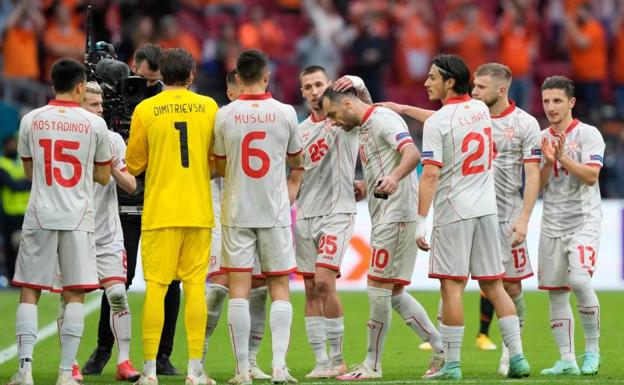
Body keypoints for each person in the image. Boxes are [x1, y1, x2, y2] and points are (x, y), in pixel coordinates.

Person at [415, 54, 529, 380]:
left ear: (450, 82)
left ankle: (451, 365)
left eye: (432, 77)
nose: (426, 82)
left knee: (451, 288)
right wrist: (405, 109)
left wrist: (421, 219)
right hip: (487, 211)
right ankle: (518, 358)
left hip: (453, 212)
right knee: (495, 286)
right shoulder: (480, 110)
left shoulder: (437, 123)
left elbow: (430, 175)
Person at [319, 87, 444, 381]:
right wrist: (367, 183)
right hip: (386, 214)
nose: (334, 121)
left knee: (377, 289)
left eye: (334, 114)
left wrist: (394, 177)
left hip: (397, 215)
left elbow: (412, 153)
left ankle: (372, 365)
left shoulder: (383, 118)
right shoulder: (366, 125)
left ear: (348, 103)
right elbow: (386, 162)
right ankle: (442, 347)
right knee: (394, 292)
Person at [8, 58, 112, 385]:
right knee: (75, 293)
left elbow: (28, 172)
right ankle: (66, 373)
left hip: (40, 212)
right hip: (78, 216)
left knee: (30, 290)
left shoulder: (30, 120)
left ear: (52, 84)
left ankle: (25, 371)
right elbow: (104, 175)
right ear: (81, 87)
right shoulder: (95, 125)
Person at [84, 43, 183, 377]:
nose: (147, 88)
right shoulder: (108, 99)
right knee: (116, 282)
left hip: (158, 201)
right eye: (141, 80)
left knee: (169, 282)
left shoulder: (164, 104)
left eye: (155, 82)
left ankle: (163, 355)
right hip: (121, 204)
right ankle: (103, 350)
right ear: (131, 68)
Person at [126, 48, 219, 385]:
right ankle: (195, 369)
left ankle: (149, 371)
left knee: (156, 288)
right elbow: (217, 160)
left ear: (162, 75)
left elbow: (133, 164)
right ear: (192, 75)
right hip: (198, 210)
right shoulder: (209, 107)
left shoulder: (145, 108)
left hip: (160, 211)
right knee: (195, 288)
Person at [213, 49, 303, 385]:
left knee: (239, 288)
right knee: (279, 285)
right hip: (275, 210)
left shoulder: (224, 115)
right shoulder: (285, 113)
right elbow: (297, 162)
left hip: (237, 210)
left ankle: (242, 372)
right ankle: (279, 367)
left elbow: (220, 166)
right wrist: (291, 188)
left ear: (237, 79)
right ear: (267, 77)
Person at [56, 81, 141, 382]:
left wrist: (112, 165)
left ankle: (125, 362)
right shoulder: (66, 139)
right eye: (94, 105)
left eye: (102, 105)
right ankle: (71, 364)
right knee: (70, 299)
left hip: (107, 232)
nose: (101, 111)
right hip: (74, 229)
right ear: (79, 105)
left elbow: (131, 186)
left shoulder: (114, 140)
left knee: (118, 293)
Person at [295, 66, 370, 378]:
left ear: (329, 86)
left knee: (325, 282)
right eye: (308, 86)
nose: (314, 91)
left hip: (337, 212)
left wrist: (359, 82)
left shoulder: (344, 120)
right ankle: (321, 361)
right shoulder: (297, 132)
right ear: (301, 92)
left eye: (318, 84)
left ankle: (339, 358)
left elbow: (370, 109)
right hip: (305, 214)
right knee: (311, 289)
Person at [202, 69, 272, 380]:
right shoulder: (218, 121)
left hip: (257, 212)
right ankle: (197, 358)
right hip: (220, 212)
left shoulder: (268, 118)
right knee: (218, 287)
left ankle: (250, 361)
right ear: (231, 92)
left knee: (259, 288)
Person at [538, 76, 604, 376]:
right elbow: (538, 186)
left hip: (583, 221)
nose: (551, 107)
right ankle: (566, 358)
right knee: (556, 292)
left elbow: (591, 176)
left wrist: (562, 157)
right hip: (552, 222)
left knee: (579, 280)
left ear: (572, 102)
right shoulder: (540, 138)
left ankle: (592, 350)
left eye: (557, 101)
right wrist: (546, 163)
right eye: (546, 101)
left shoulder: (589, 135)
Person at [0, 136, 31, 283]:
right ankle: (12, 277)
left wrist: (22, 183)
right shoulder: (2, 164)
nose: (14, 146)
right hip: (9, 214)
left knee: (28, 248)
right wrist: (25, 183)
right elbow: (13, 185)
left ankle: (27, 277)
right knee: (10, 248)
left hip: (26, 212)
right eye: (11, 144)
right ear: (5, 146)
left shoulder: (20, 163)